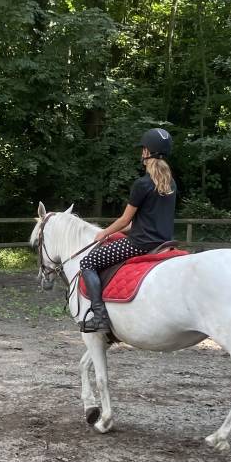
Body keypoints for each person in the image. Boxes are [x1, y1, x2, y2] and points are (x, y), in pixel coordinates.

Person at [79, 128, 177, 334]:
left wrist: (104, 232)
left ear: (148, 152)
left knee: (87, 262)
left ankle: (99, 317)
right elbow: (146, 220)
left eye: (143, 149)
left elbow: (125, 220)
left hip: (140, 244)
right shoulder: (170, 184)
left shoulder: (142, 184)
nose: (141, 152)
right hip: (164, 242)